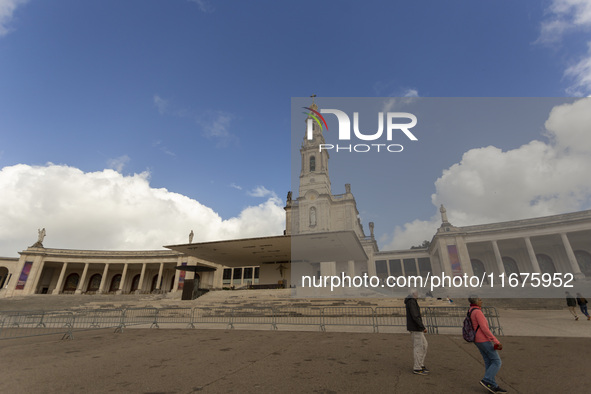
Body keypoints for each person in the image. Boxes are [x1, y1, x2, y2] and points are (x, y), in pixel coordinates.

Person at [468, 296, 507, 394]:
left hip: (477, 340)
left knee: (488, 362)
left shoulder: (471, 310)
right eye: (480, 300)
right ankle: (487, 379)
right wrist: (496, 341)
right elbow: (485, 328)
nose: (482, 301)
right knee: (497, 362)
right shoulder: (478, 312)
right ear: (476, 302)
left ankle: (492, 385)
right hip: (483, 339)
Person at [405, 289, 429, 375]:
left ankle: (420, 364)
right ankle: (417, 367)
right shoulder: (411, 302)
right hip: (416, 328)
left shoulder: (413, 301)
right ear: (413, 293)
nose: (418, 294)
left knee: (424, 345)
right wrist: (422, 327)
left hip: (417, 328)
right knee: (419, 347)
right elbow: (415, 316)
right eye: (417, 292)